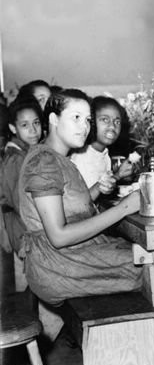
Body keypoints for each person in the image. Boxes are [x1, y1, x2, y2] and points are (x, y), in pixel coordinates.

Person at [17, 89, 144, 306]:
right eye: (75, 118)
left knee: (147, 255)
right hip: (58, 265)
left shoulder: (55, 156)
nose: (84, 127)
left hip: (66, 256)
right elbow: (58, 236)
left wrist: (97, 189)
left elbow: (68, 205)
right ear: (53, 119)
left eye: (87, 120)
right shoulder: (44, 162)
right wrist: (124, 208)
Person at [0, 98, 43, 255]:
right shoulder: (15, 159)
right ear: (13, 128)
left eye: (36, 123)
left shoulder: (28, 151)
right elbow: (21, 204)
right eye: (24, 125)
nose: (33, 130)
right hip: (23, 231)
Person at [70, 96, 133, 195]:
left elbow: (103, 185)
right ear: (91, 122)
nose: (112, 126)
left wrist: (118, 175)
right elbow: (82, 202)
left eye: (117, 122)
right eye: (105, 120)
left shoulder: (104, 153)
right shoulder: (81, 156)